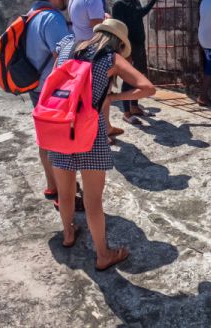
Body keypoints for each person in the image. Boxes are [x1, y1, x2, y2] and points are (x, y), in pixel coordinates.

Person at [50, 20, 156, 271]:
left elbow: (55, 80)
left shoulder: (68, 46)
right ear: (119, 43)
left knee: (65, 193)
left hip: (60, 125)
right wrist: (114, 96)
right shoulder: (110, 58)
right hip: (90, 131)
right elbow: (147, 88)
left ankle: (67, 234)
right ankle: (103, 255)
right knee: (93, 200)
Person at [25, 0, 72, 201]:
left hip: (35, 86)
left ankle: (52, 185)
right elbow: (63, 57)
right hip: (53, 89)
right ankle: (65, 194)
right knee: (60, 145)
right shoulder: (52, 18)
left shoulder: (32, 13)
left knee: (45, 140)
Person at [111, 0, 165, 126]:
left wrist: (153, 0)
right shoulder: (120, 4)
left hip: (139, 45)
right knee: (128, 79)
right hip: (128, 47)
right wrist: (122, 50)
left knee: (139, 77)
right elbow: (118, 29)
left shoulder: (135, 2)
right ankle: (126, 112)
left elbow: (138, 15)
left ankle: (134, 107)